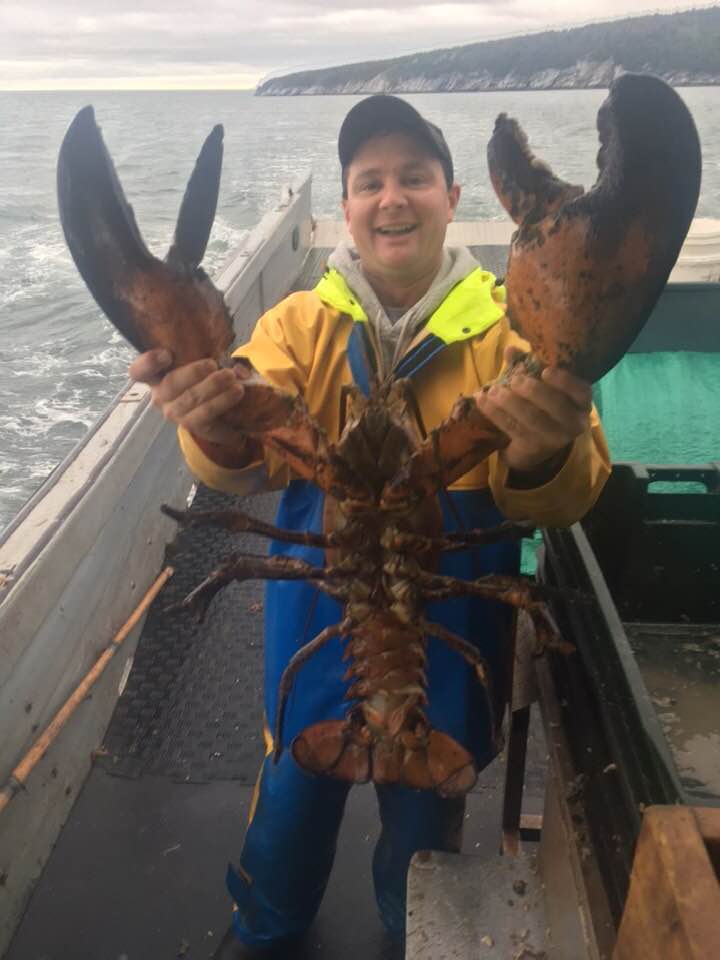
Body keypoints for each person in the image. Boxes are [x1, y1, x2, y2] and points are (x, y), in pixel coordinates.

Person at [130, 95, 611, 958]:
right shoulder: (299, 327)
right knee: (289, 799)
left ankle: (411, 930)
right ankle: (267, 925)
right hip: (319, 632)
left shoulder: (512, 333)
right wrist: (207, 415)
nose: (393, 198)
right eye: (370, 181)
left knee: (426, 826)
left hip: (448, 645)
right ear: (345, 208)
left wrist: (542, 454)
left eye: (415, 178)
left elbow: (570, 492)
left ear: (453, 195)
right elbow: (241, 447)